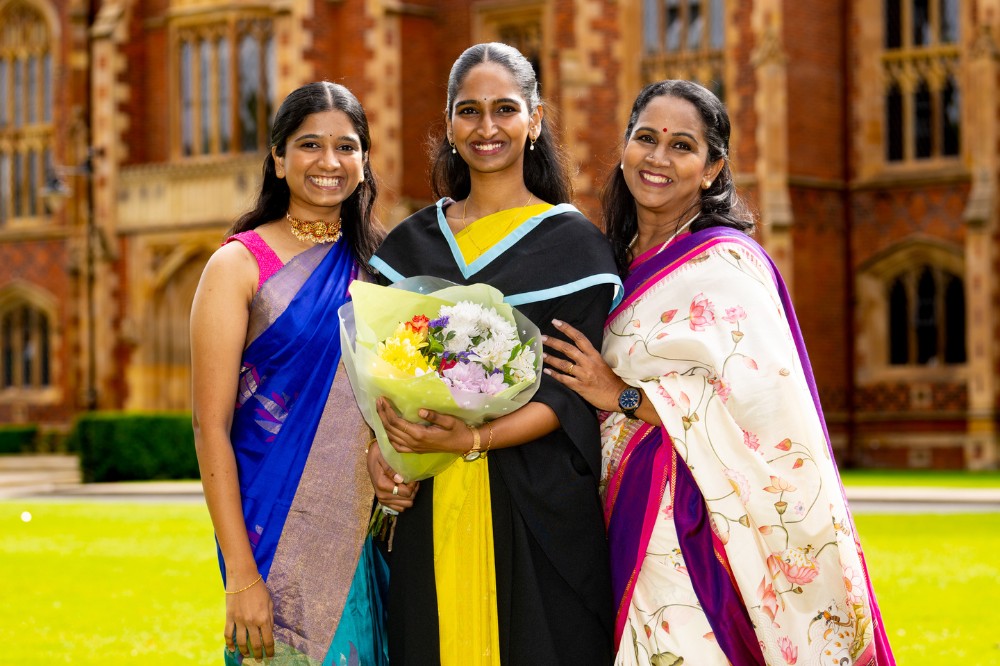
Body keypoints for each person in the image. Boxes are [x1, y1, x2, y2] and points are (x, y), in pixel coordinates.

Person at [543, 80, 895, 666]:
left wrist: (622, 395)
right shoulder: (606, 259)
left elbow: (762, 406)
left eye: (682, 146)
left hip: (690, 527)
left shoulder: (725, 263)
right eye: (646, 138)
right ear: (625, 147)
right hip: (599, 512)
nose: (658, 158)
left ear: (712, 169)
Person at [365, 43, 622, 665]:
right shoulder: (409, 246)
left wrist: (476, 440)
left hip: (535, 505)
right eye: (469, 111)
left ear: (534, 120)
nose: (487, 127)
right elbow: (375, 378)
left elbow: (568, 392)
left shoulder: (575, 247)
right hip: (429, 500)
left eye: (505, 109)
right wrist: (380, 450)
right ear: (449, 125)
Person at [191, 81, 406, 665]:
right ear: (279, 160)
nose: (329, 162)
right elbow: (209, 427)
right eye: (310, 145)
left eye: (347, 146)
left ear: (364, 161)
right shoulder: (237, 265)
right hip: (268, 539)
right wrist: (240, 575)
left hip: (362, 537)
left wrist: (391, 462)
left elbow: (386, 407)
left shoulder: (383, 270)